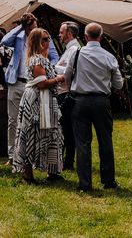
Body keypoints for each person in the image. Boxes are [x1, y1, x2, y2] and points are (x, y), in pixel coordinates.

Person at [64, 22, 123, 192]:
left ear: (85, 37)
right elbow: (118, 84)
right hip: (101, 101)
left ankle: (85, 183)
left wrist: (74, 86)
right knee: (105, 140)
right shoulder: (109, 56)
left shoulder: (76, 53)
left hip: (80, 101)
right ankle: (108, 180)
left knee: (82, 142)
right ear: (101, 37)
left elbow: (67, 76)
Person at [12, 28, 64, 183]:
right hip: (36, 101)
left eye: (48, 39)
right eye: (44, 39)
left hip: (47, 100)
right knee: (31, 134)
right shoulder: (37, 60)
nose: (48, 42)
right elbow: (41, 83)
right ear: (36, 42)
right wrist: (59, 79)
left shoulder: (43, 58)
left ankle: (53, 171)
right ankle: (28, 175)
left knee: (52, 134)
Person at [1, 13, 38, 163]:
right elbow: (4, 40)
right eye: (30, 26)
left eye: (34, 25)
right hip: (16, 82)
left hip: (33, 83)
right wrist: (20, 27)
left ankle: (29, 154)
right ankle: (12, 155)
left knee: (32, 120)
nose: (32, 28)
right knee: (13, 120)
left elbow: (54, 56)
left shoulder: (41, 37)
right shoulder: (18, 37)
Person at [54, 20, 81, 171]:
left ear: (69, 34)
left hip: (66, 93)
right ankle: (65, 160)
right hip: (62, 91)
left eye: (61, 32)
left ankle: (68, 162)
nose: (59, 35)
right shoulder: (68, 49)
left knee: (67, 129)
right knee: (64, 128)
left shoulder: (74, 50)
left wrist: (51, 66)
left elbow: (67, 72)